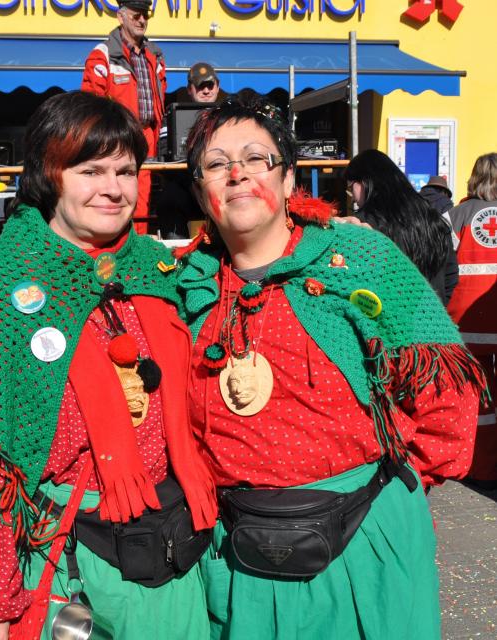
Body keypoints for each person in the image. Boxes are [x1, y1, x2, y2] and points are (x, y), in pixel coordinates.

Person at [0, 91, 216, 640]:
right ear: (49, 174)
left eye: (125, 171)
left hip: (174, 558)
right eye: (90, 171)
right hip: (63, 567)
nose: (113, 189)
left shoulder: (155, 271)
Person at [176, 94, 486, 640]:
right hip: (237, 555)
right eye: (216, 164)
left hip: (363, 545)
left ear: (289, 180)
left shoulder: (362, 259)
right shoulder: (181, 286)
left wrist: (392, 498)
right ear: (201, 191)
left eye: (256, 158)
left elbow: (446, 395)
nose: (237, 174)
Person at [81, 0, 166, 233]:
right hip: (117, 137)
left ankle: (138, 245)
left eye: (145, 15)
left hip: (148, 137)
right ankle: (115, 244)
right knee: (115, 194)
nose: (142, 20)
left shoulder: (155, 55)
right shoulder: (103, 54)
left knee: (142, 198)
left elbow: (160, 97)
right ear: (121, 17)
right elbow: (91, 105)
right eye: (136, 15)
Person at [345, 149, 458, 305]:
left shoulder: (364, 224)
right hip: (432, 313)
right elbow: (451, 278)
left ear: (365, 182)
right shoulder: (432, 217)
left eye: (351, 188)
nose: (353, 199)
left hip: (386, 316)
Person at [447, 152, 497, 490]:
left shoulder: (455, 216)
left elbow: (436, 263)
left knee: (478, 399)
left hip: (466, 324)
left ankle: (481, 468)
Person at [156, 64, 222, 239]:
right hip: (187, 186)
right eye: (200, 86)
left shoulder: (231, 116)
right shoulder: (172, 116)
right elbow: (165, 155)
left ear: (217, 86)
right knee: (169, 199)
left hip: (222, 183)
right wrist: (193, 184)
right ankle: (176, 250)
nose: (206, 90)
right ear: (189, 89)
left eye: (210, 85)